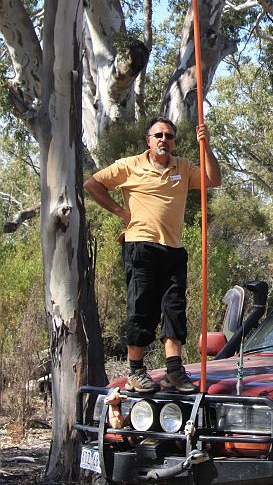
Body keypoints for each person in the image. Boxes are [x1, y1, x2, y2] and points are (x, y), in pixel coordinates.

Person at [84, 117, 222, 394]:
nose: (164, 140)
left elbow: (213, 180)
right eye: (158, 135)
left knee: (174, 308)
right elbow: (92, 184)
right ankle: (136, 372)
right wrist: (120, 212)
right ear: (148, 140)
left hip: (173, 248)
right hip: (140, 245)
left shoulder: (182, 167)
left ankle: (174, 371)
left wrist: (205, 147)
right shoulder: (130, 165)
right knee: (142, 307)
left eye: (169, 136)